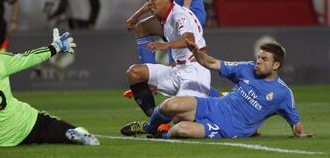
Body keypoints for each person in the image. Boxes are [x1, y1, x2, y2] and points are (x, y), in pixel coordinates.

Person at [0, 22, 100, 146]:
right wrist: (55, 47)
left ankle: (70, 134)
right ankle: (72, 133)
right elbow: (29, 57)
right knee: (57, 127)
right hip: (27, 125)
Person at [121, 40, 313, 139]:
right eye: (259, 57)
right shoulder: (246, 68)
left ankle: (161, 136)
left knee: (181, 129)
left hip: (227, 128)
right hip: (214, 106)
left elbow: (295, 121)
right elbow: (212, 63)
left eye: (264, 59)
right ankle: (148, 128)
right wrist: (197, 52)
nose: (258, 61)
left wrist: (300, 132)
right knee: (170, 105)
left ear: (276, 65)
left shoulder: (282, 93)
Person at [122, 0, 211, 121]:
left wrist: (166, 45)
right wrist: (136, 16)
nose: (149, 3)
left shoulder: (179, 15)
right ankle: (154, 121)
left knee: (180, 120)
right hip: (177, 70)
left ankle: (159, 126)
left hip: (194, 72)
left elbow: (190, 40)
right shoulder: (164, 15)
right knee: (134, 73)